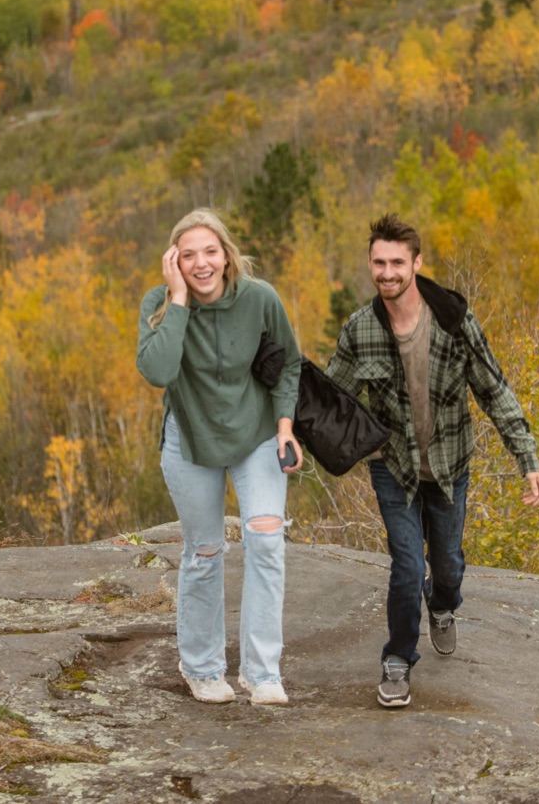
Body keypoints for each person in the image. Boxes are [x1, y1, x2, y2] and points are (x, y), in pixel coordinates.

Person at [327, 213, 539, 709]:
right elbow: (332, 401)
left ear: (416, 263)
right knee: (408, 567)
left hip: (449, 466)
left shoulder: (453, 321)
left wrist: (527, 457)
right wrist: (290, 437)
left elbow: (494, 389)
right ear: (370, 264)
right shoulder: (360, 330)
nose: (387, 273)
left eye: (396, 263)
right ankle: (398, 658)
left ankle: (443, 605)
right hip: (394, 468)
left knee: (446, 565)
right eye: (379, 263)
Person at [136, 208, 304, 706]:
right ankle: (203, 669)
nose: (201, 263)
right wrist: (178, 301)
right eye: (188, 255)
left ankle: (262, 673)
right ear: (174, 262)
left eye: (210, 251)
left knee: (266, 540)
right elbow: (158, 371)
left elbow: (289, 363)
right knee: (205, 552)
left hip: (256, 433)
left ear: (226, 255)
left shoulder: (260, 298)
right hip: (190, 439)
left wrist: (285, 427)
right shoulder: (159, 303)